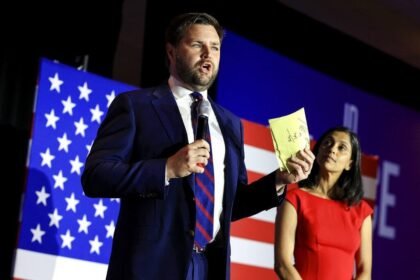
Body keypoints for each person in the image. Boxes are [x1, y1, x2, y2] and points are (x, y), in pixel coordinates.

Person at [81, 12, 315, 280]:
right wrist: (167, 168)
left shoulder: (230, 123)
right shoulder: (136, 106)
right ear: (171, 52)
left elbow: (230, 204)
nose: (208, 54)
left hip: (206, 266)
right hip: (150, 268)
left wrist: (279, 180)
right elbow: (96, 176)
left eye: (215, 47)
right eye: (197, 45)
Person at [274, 126, 373, 280]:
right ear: (317, 152)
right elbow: (282, 263)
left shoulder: (361, 211)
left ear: (350, 164)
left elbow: (364, 271)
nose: (333, 149)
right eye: (327, 143)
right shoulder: (294, 199)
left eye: (342, 147)